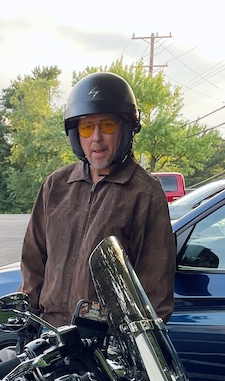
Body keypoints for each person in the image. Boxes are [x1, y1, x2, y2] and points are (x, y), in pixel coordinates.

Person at [20, 72, 176, 329]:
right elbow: (33, 260)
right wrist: (30, 320)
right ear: (76, 135)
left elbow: (154, 289)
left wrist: (134, 345)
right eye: (86, 127)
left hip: (105, 345)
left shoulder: (143, 193)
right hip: (52, 333)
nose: (96, 138)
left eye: (107, 126)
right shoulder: (56, 186)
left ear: (125, 129)